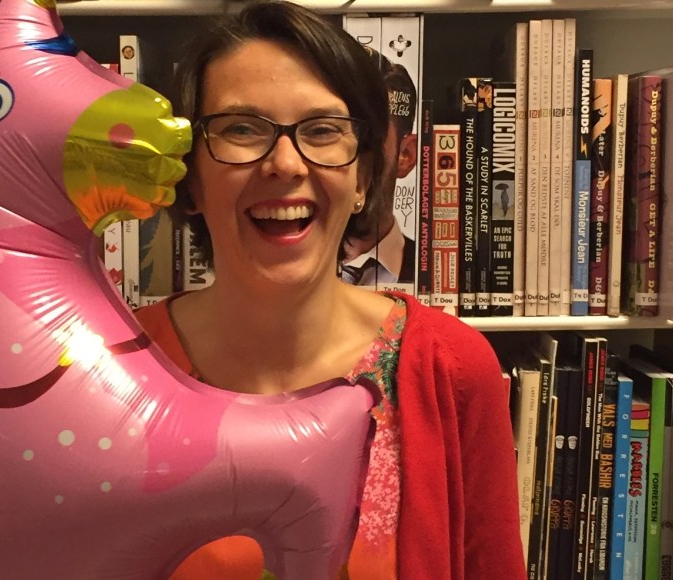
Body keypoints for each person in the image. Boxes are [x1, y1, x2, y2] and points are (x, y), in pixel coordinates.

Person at [132, 2, 525, 578]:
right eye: (242, 129)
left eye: (322, 130)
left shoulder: (451, 368)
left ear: (363, 178)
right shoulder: (115, 369)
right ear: (190, 178)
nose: (285, 164)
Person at [339, 51, 419, 288]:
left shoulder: (438, 273)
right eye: (325, 132)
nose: (348, 155)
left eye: (368, 138)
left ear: (406, 155)